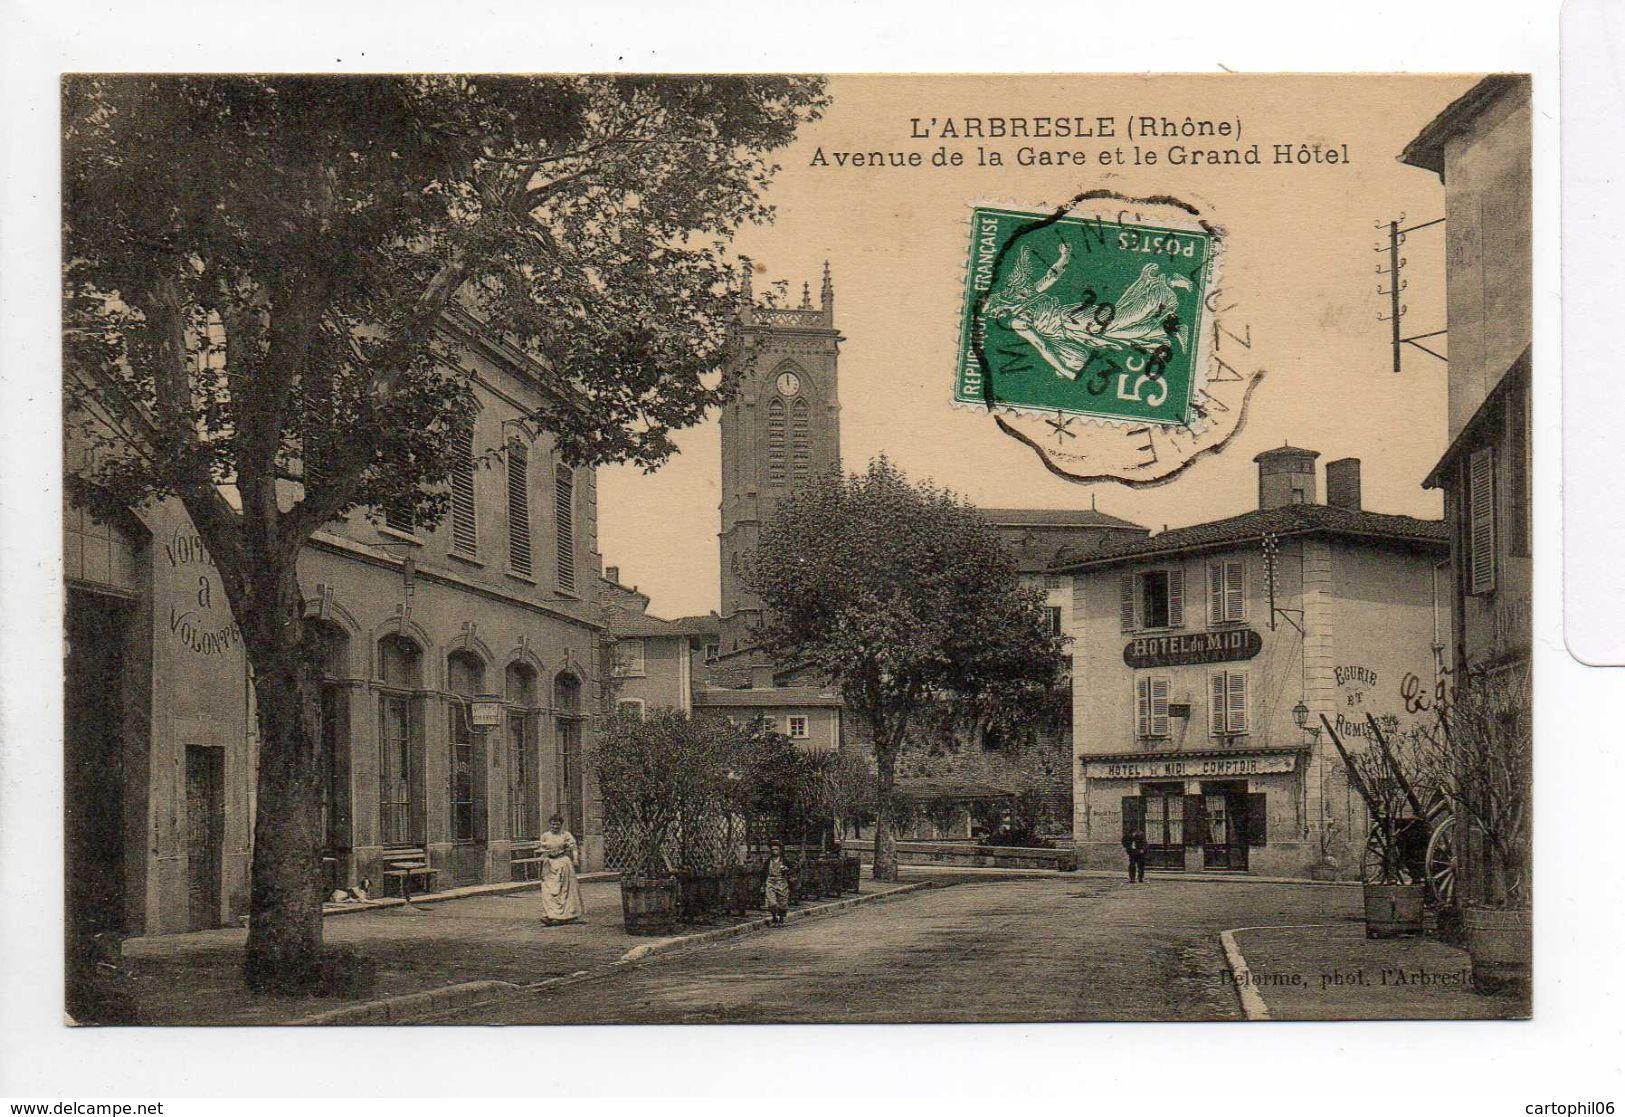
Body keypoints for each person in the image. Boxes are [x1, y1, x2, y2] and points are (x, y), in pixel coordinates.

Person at [538, 814, 584, 925]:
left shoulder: (565, 835)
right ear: (550, 824)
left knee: (564, 890)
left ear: (561, 825)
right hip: (549, 864)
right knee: (548, 890)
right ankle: (550, 914)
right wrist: (542, 859)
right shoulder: (545, 836)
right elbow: (541, 849)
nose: (555, 827)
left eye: (557, 825)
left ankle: (565, 915)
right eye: (553, 824)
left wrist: (576, 859)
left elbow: (574, 848)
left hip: (563, 863)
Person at [763, 841, 791, 926]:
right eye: (772, 849)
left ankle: (781, 919)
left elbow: (792, 870)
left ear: (780, 850)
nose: (774, 851)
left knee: (782, 903)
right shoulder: (768, 861)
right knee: (772, 902)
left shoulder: (785, 860)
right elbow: (763, 872)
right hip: (770, 882)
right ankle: (774, 917)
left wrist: (786, 869)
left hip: (781, 882)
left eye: (776, 849)